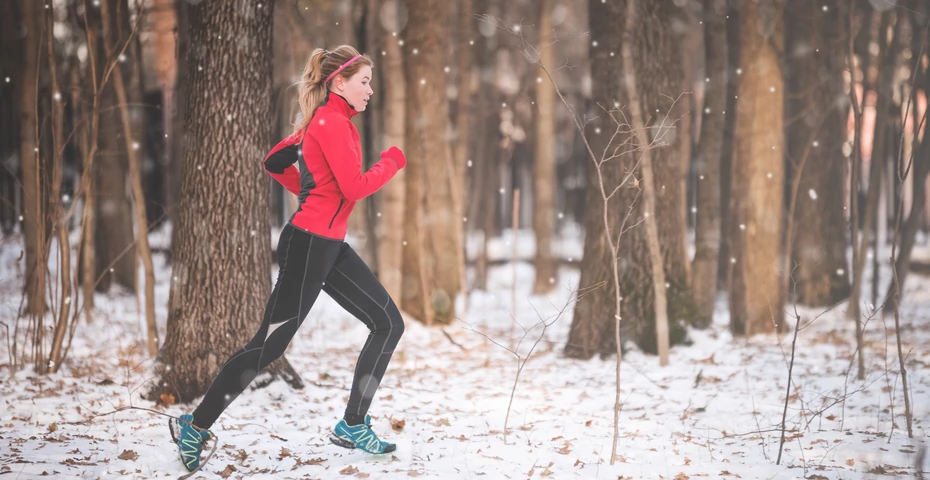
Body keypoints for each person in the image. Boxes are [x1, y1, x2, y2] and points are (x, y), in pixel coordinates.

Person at [170, 45, 407, 472]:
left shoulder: (330, 122)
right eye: (365, 81)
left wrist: (309, 185)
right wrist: (390, 163)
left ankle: (352, 424)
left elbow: (275, 160)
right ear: (339, 81)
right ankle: (195, 424)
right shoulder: (331, 123)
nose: (370, 90)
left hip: (329, 245)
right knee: (268, 344)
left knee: (389, 323)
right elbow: (353, 187)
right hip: (308, 246)